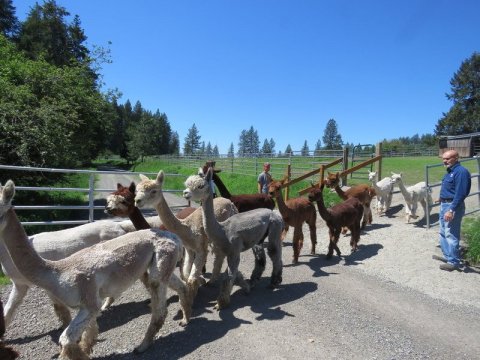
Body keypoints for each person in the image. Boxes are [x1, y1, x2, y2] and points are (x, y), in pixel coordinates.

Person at [433, 149, 471, 272]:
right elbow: (450, 188)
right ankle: (448, 256)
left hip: (452, 206)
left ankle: (453, 261)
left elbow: (461, 193)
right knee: (443, 231)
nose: (445, 161)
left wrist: (451, 209)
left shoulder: (461, 172)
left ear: (456, 158)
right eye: (443, 159)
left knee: (451, 233)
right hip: (445, 204)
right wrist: (441, 198)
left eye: (448, 158)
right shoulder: (450, 171)